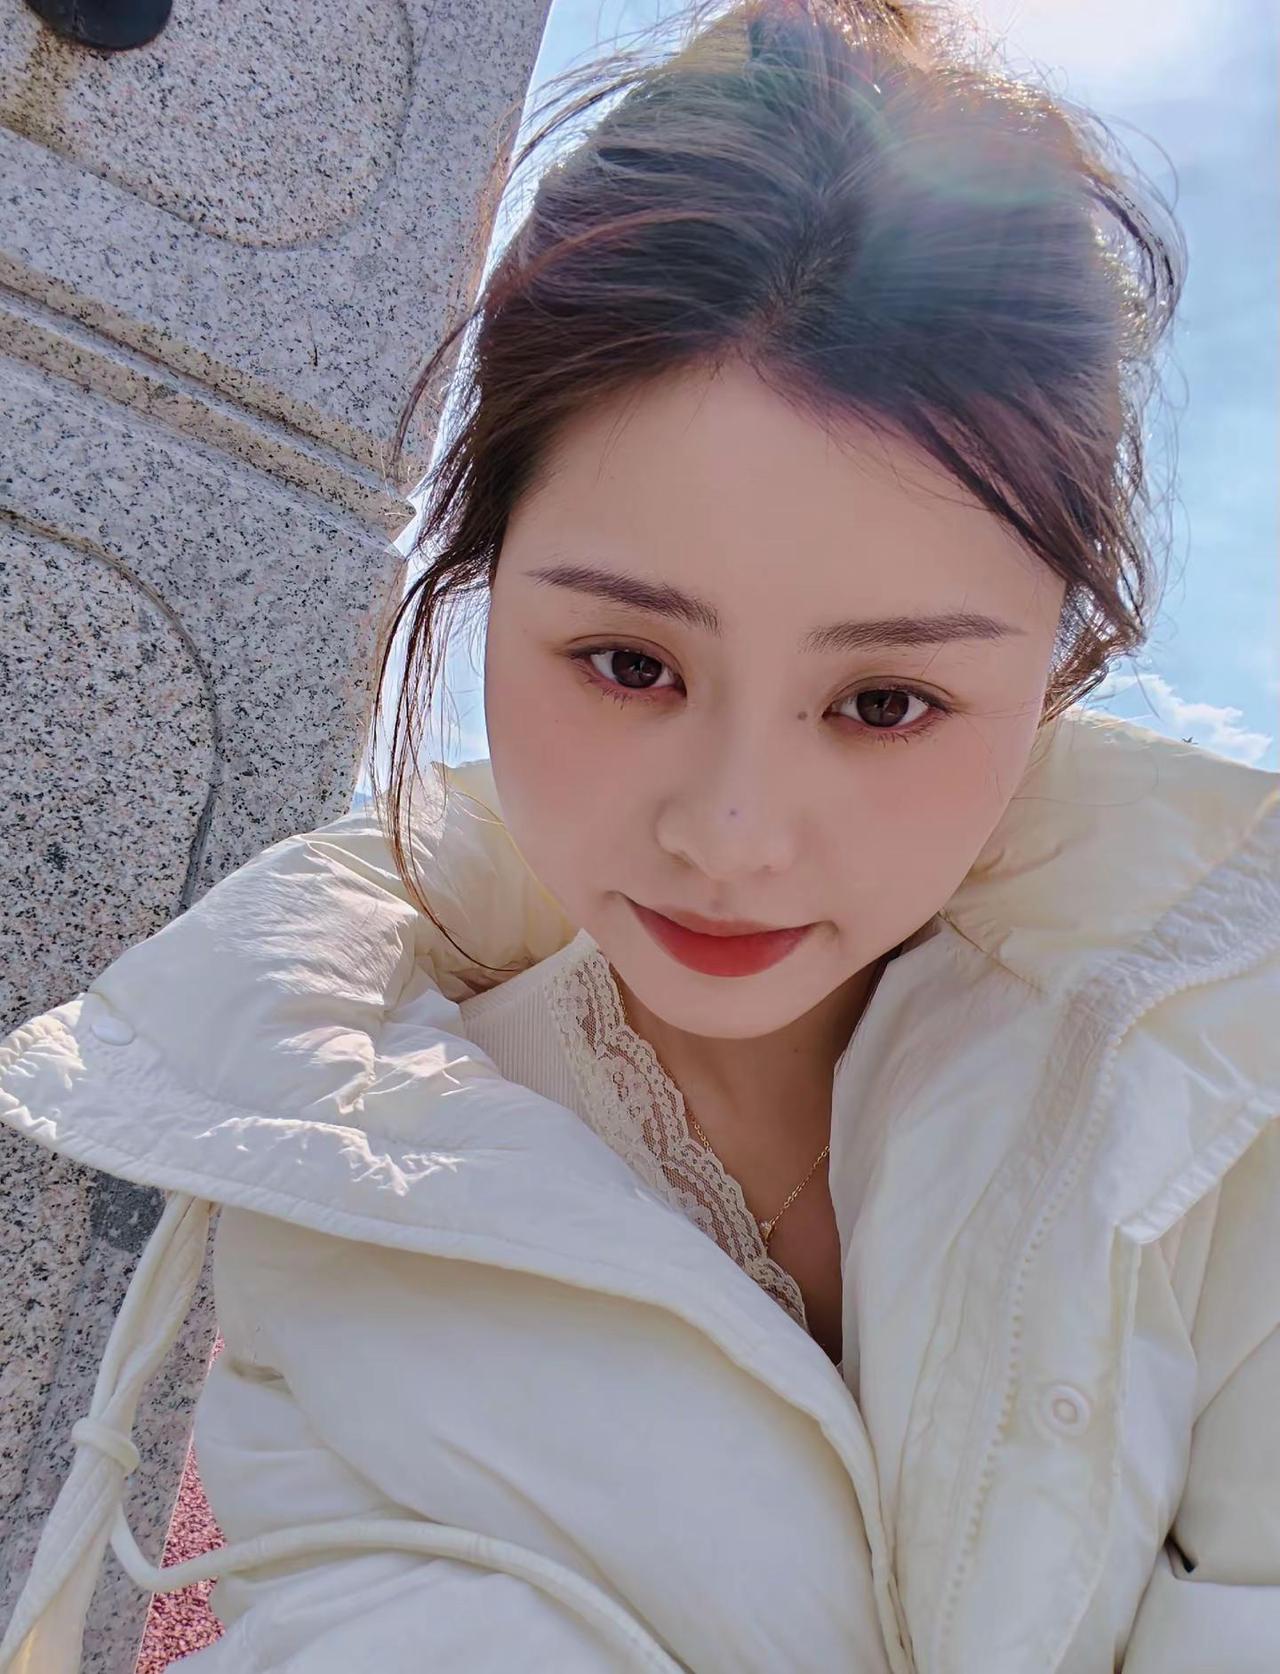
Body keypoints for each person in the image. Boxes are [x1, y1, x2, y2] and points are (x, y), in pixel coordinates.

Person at [1, 1, 1277, 1670]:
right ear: (482, 579)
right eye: (628, 663)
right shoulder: (339, 1174)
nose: (732, 835)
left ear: (1060, 665)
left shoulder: (1230, 1078)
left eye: (885, 700)